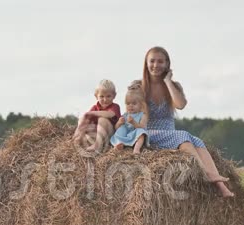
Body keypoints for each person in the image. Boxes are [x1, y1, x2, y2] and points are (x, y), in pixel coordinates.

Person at [133, 46, 234, 197]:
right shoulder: (138, 87)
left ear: (167, 64)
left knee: (197, 141)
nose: (155, 65)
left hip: (170, 133)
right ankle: (205, 173)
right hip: (147, 132)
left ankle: (220, 185)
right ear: (146, 63)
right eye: (152, 61)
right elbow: (133, 112)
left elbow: (180, 105)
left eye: (160, 61)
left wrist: (168, 81)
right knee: (183, 136)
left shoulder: (174, 86)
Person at [73, 79, 122, 153]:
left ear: (114, 96)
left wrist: (92, 113)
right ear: (96, 96)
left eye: (108, 96)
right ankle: (78, 138)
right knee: (83, 119)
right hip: (95, 135)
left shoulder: (115, 106)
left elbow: (110, 114)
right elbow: (86, 118)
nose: (105, 99)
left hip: (110, 136)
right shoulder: (94, 107)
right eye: (101, 96)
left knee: (102, 120)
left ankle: (98, 146)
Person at [110, 88, 149, 154]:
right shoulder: (125, 115)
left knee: (141, 132)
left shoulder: (143, 115)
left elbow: (142, 127)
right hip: (126, 135)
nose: (130, 106)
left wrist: (133, 122)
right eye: (128, 104)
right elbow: (116, 128)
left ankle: (136, 148)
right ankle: (119, 144)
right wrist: (119, 123)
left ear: (141, 105)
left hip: (135, 134)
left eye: (134, 103)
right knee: (121, 129)